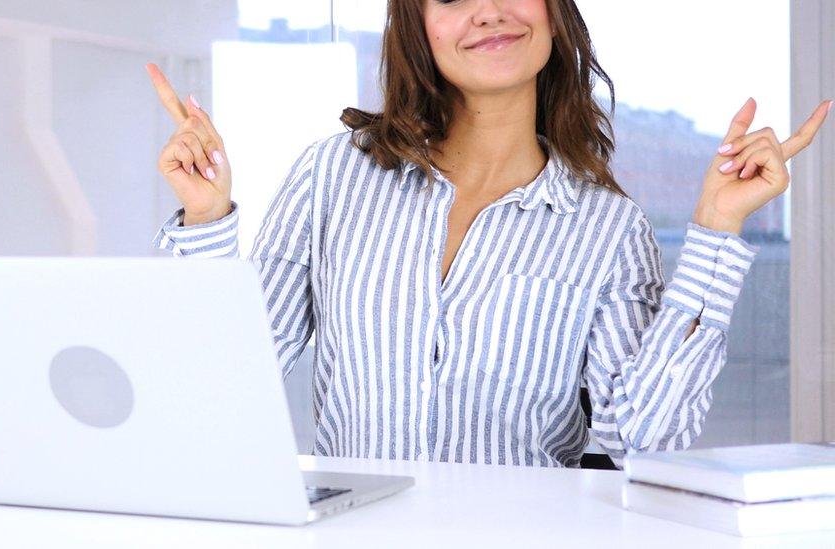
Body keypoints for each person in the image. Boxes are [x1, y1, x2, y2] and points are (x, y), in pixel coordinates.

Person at [146, 0, 832, 467]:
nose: (488, 11)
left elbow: (645, 440)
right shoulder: (333, 175)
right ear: (419, 26)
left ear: (554, 16)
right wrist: (206, 220)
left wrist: (715, 230)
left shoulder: (608, 229)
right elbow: (220, 381)